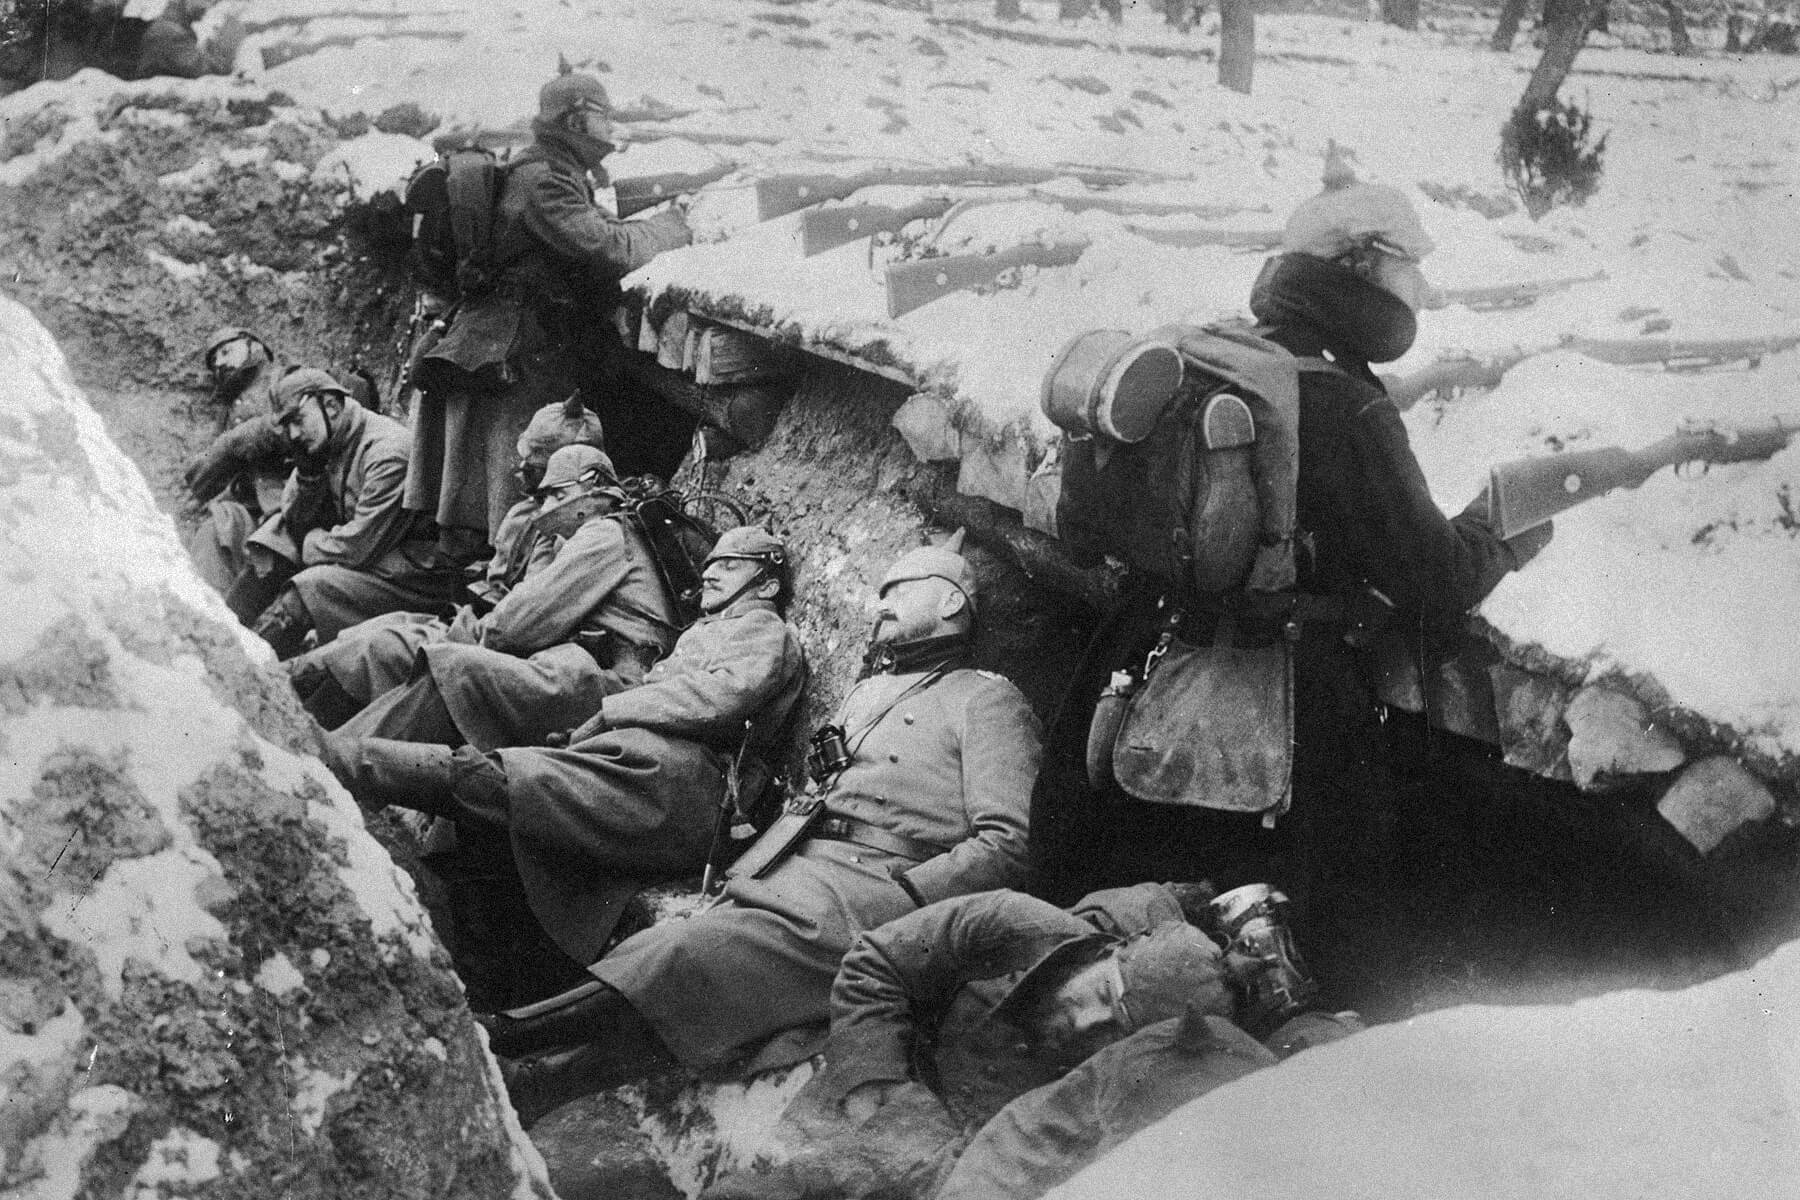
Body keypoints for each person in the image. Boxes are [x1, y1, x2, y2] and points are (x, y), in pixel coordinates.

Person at [1030, 168, 1551, 1012]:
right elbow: (1434, 580)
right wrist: (1503, 530)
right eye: (1408, 266)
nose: (1420, 287)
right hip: (1281, 702)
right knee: (1319, 940)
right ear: (1362, 266)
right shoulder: (1345, 403)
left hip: (1137, 664)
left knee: (1115, 929)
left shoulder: (1223, 354)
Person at [482, 533, 1042, 1125]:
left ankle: (508, 1035)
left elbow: (1007, 841)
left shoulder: (988, 701)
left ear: (951, 603)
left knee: (686, 951)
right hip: (802, 873)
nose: (881, 605)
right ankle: (547, 1081)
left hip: (880, 894)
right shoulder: (870, 693)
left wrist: (912, 901)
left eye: (899, 591)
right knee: (680, 955)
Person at [322, 525, 807, 1010]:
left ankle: (335, 763)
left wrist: (613, 711)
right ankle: (472, 982)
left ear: (765, 584)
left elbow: (723, 697)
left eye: (731, 563)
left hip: (685, 787)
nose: (712, 573)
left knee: (495, 782)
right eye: (711, 563)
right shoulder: (711, 629)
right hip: (647, 769)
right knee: (490, 816)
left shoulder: (762, 628)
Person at [700, 884, 1257, 1200]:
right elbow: (875, 962)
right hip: (882, 1094)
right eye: (1103, 997)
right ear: (1112, 949)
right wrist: (874, 1078)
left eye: (1116, 1030)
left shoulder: (1129, 1078)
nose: (1088, 1027)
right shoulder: (1015, 924)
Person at [403, 70, 691, 564]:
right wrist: (673, 227)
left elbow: (600, 228)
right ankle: (499, 584)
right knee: (517, 483)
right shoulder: (545, 179)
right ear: (577, 117)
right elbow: (608, 246)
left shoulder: (549, 171)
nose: (611, 127)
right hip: (516, 345)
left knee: (496, 486)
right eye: (604, 116)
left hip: (512, 335)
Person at [316, 443, 676, 750]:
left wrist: (468, 636)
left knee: (454, 668)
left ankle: (335, 761)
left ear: (595, 484)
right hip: (589, 674)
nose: (549, 506)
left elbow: (522, 620)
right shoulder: (610, 532)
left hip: (611, 687)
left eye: (559, 494)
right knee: (437, 661)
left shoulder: (605, 535)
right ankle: (333, 749)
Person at [285, 398, 606, 728]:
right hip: (481, 626)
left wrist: (467, 624)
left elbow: (525, 619)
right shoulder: (522, 513)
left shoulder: (582, 532)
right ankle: (280, 686)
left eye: (536, 468)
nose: (522, 474)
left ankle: (302, 724)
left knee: (381, 648)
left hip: (506, 650)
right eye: (523, 461)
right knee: (376, 631)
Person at [214, 368, 447, 657]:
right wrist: (309, 478)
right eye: (285, 426)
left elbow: (358, 548)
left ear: (332, 406)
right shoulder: (332, 438)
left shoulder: (387, 453)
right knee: (275, 541)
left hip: (416, 577)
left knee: (311, 588)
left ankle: (249, 667)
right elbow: (292, 520)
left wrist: (311, 542)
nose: (293, 435)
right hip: (374, 554)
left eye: (297, 421)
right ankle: (220, 632)